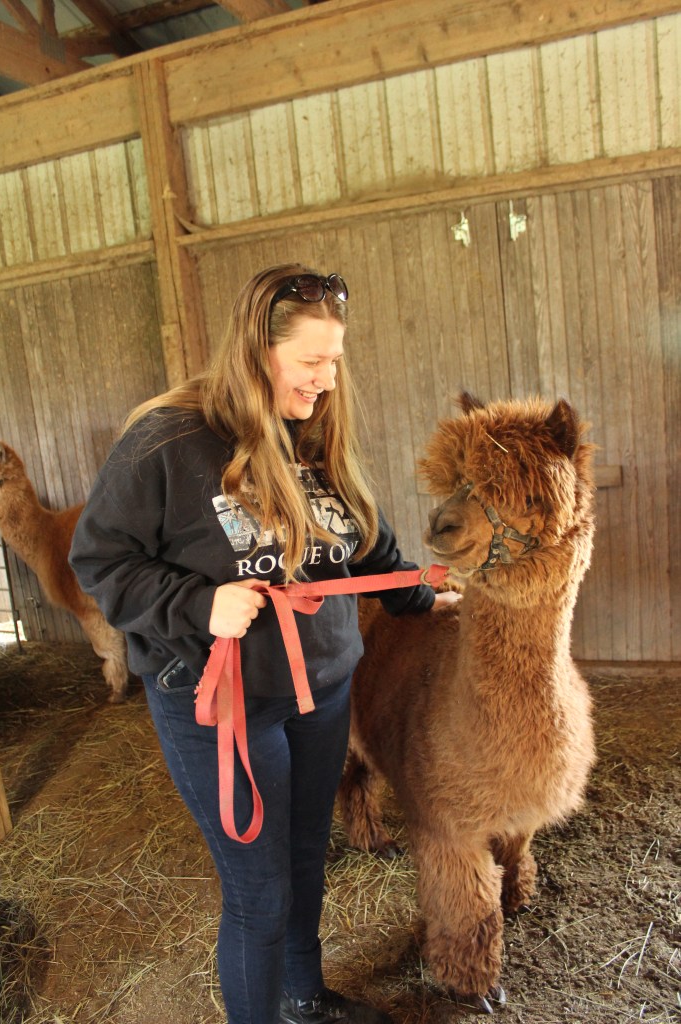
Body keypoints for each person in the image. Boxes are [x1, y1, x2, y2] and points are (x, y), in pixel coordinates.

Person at [69, 264, 455, 1024]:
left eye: (335, 360)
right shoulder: (168, 441)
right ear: (255, 351)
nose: (326, 379)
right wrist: (196, 601)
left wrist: (422, 593)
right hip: (219, 700)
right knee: (259, 889)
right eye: (310, 361)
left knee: (306, 858)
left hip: (320, 687)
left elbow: (363, 548)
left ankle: (302, 998)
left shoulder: (314, 432)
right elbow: (99, 561)